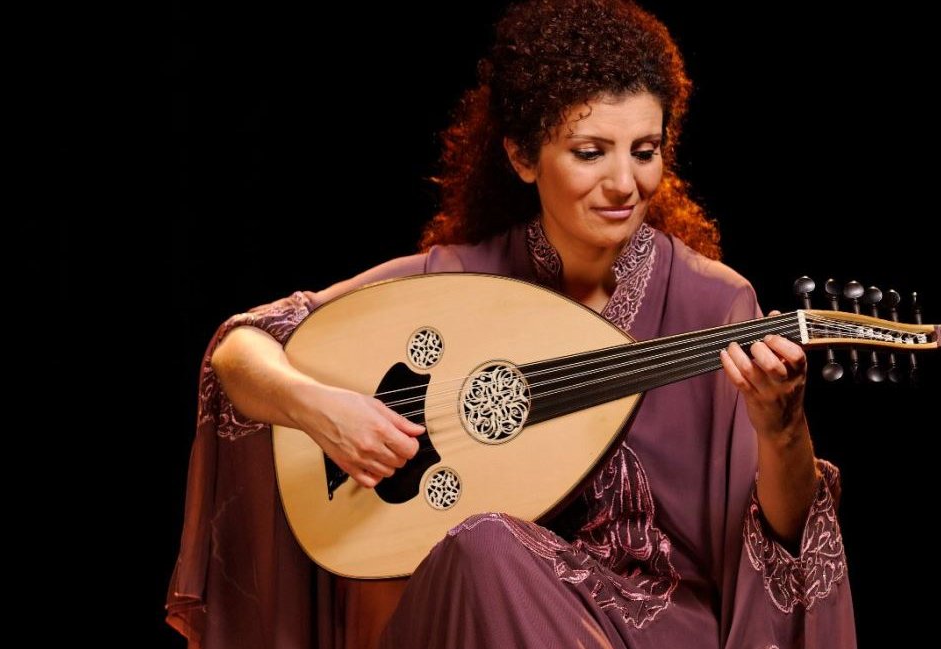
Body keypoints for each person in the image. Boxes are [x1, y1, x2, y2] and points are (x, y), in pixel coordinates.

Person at [165, 0, 857, 646]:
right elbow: (243, 347)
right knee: (482, 547)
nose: (625, 183)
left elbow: (781, 537)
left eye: (644, 150)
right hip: (474, 607)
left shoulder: (715, 303)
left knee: (486, 541)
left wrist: (782, 427)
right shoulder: (460, 283)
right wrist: (320, 408)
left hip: (650, 631)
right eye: (591, 151)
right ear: (524, 156)